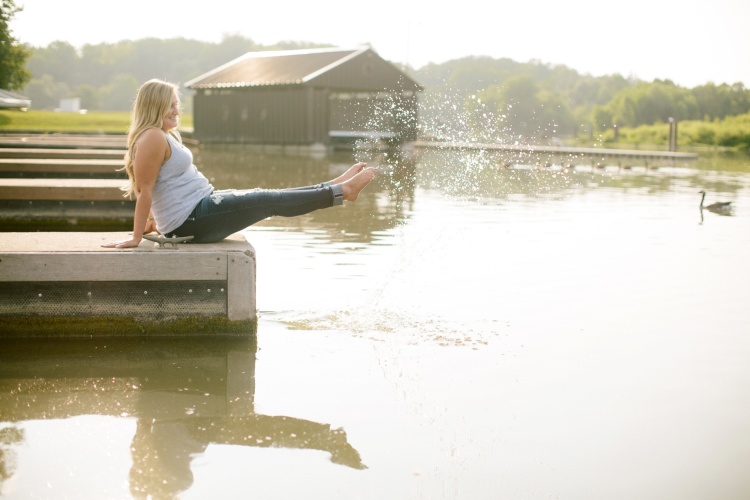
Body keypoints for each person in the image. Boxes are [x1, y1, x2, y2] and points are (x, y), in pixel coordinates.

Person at [103, 78, 377, 248]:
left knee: (266, 196)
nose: (177, 110)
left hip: (198, 210)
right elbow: (145, 189)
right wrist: (137, 237)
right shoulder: (152, 136)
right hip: (193, 219)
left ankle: (333, 186)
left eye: (177, 104)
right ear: (154, 106)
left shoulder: (161, 135)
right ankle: (341, 192)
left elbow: (160, 185)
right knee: (267, 199)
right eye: (171, 105)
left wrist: (153, 222)